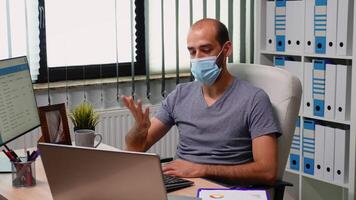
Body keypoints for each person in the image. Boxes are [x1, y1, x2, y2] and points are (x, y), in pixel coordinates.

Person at [122, 18, 281, 186]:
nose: (197, 58)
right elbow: (136, 149)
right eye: (192, 51)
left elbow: (267, 171)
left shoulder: (254, 99)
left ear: (226, 49)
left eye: (205, 50)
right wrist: (138, 131)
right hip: (181, 185)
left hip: (223, 191)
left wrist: (203, 169)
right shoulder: (180, 95)